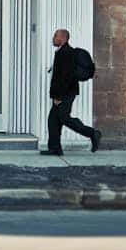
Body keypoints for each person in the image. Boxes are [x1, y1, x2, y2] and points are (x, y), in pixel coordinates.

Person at [41, 28, 101, 156]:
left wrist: (58, 96)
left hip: (65, 93)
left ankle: (92, 133)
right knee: (53, 119)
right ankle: (55, 148)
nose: (53, 38)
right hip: (65, 92)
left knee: (64, 118)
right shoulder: (63, 51)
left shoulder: (66, 53)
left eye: (55, 36)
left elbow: (65, 77)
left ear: (62, 38)